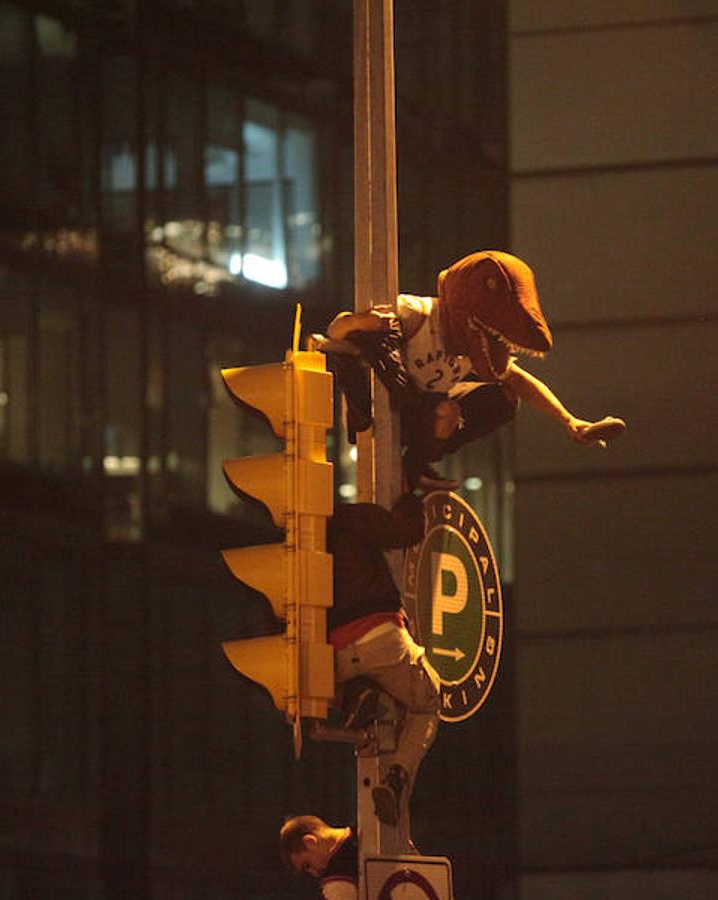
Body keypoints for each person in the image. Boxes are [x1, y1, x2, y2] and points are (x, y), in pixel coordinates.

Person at [326, 249, 625, 488]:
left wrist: (569, 421)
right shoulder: (415, 315)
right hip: (375, 405)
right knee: (445, 409)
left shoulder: (473, 348)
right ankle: (414, 467)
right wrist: (361, 322)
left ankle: (415, 465)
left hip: (420, 412)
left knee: (499, 399)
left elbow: (521, 382)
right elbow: (336, 331)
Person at [328, 490, 439, 827]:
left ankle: (360, 696)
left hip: (332, 658)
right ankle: (396, 777)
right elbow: (404, 533)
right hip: (379, 637)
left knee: (372, 685)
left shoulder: (288, 551)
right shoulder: (348, 518)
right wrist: (411, 500)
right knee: (428, 702)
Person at [281, 815, 358, 900]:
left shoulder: (335, 878)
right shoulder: (365, 828)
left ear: (309, 842)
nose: (315, 874)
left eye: (307, 865)